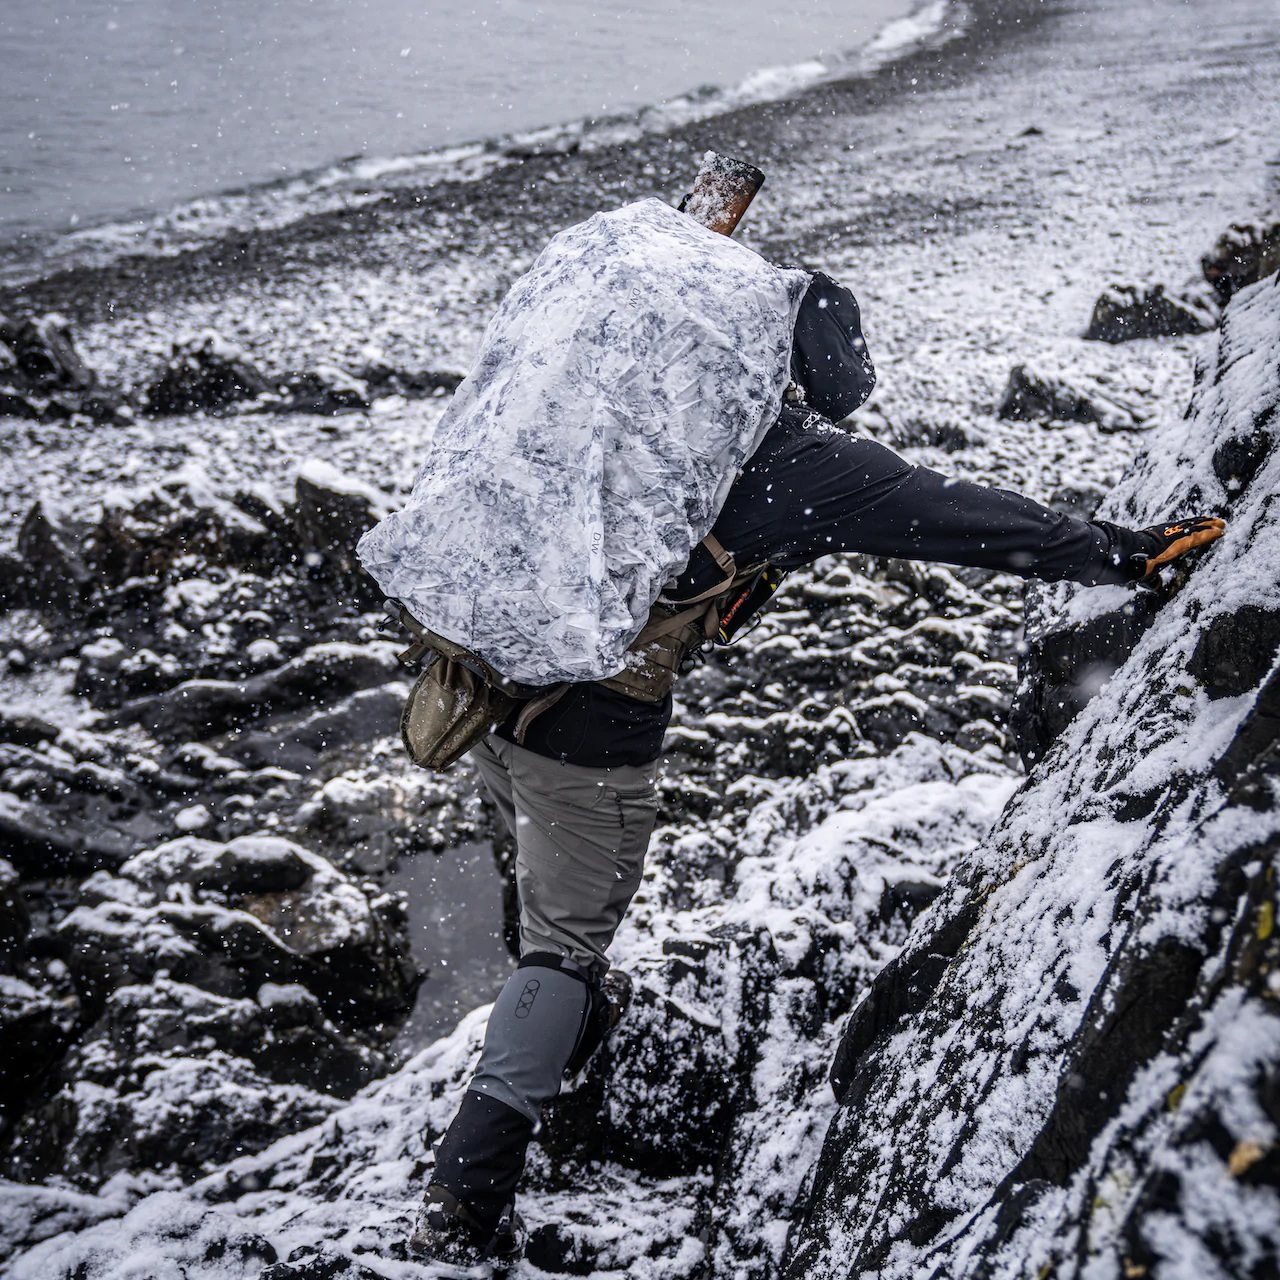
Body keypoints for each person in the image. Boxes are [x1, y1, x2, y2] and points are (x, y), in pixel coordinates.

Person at [405, 270, 1224, 1272]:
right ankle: (463, 1197)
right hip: (586, 721)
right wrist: (1125, 554)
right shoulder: (803, 463)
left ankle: (564, 1066)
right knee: (562, 947)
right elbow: (968, 516)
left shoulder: (635, 382)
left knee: (528, 885)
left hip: (471, 674)